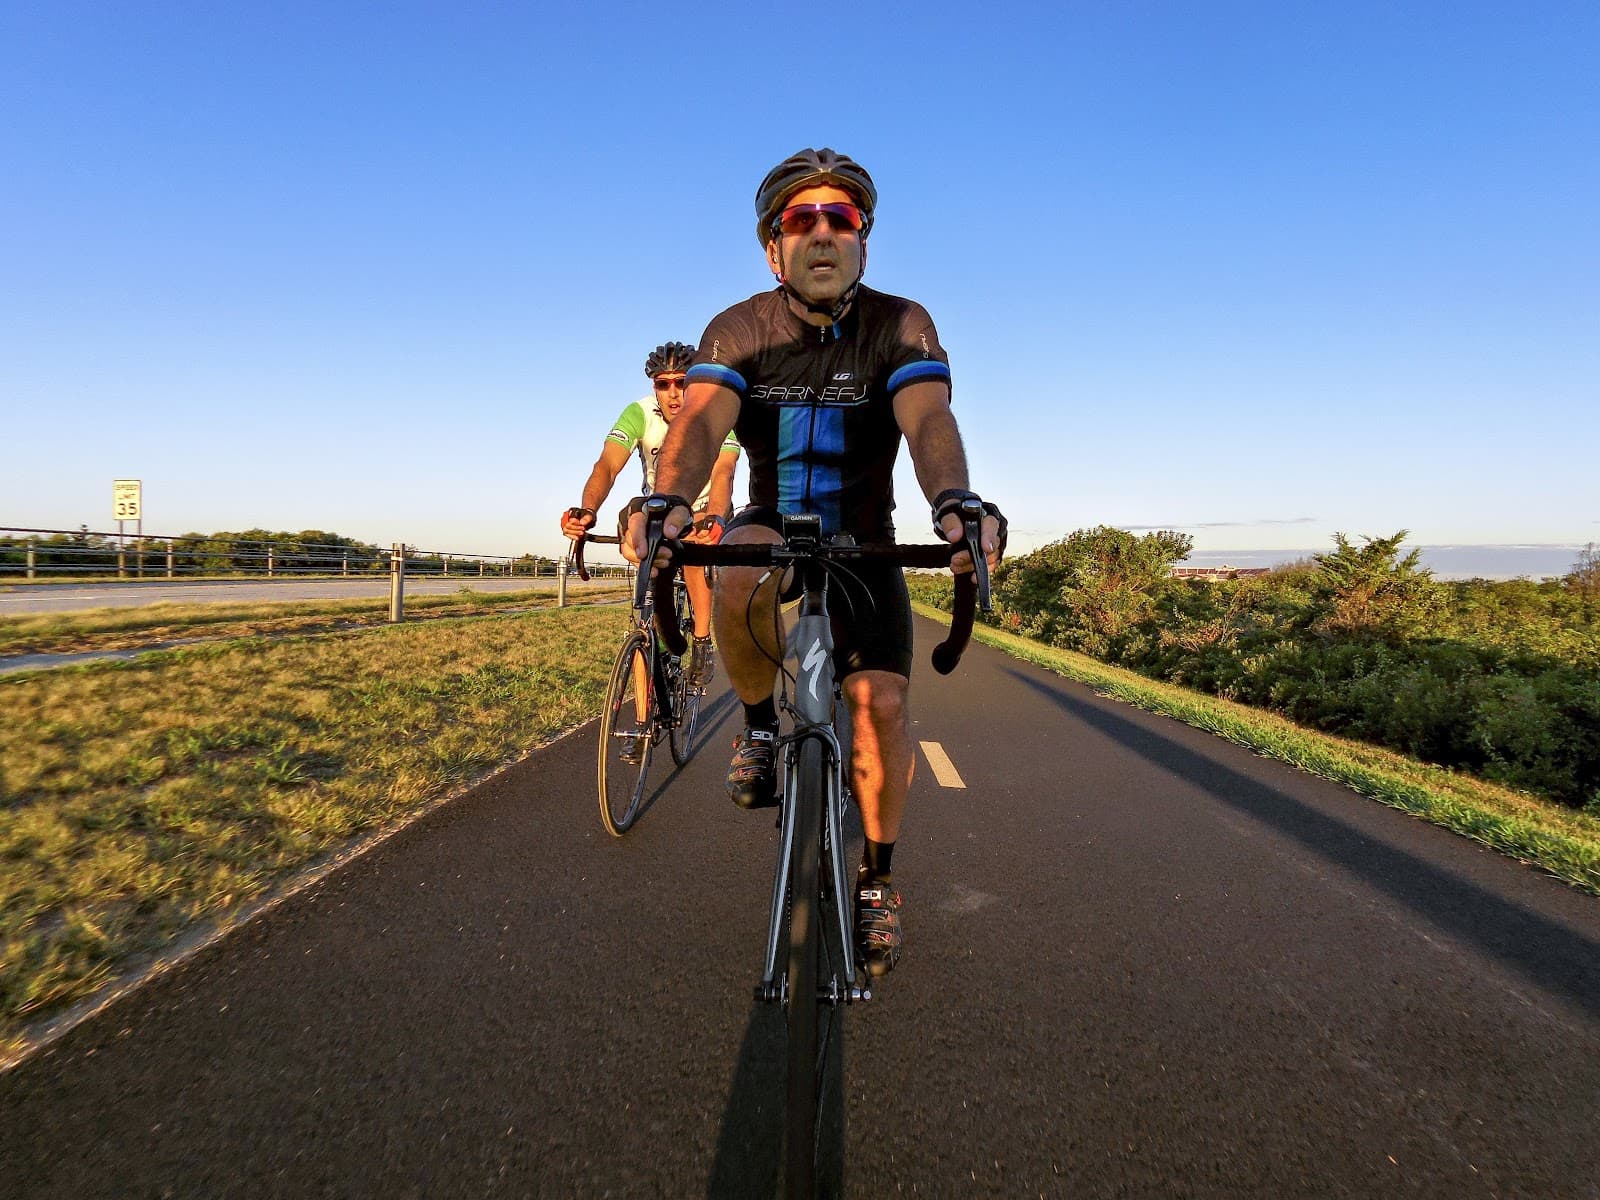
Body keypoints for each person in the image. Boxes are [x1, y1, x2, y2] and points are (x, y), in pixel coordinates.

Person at [627, 149, 1004, 977]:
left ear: (864, 241)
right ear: (774, 248)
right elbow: (699, 423)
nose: (823, 232)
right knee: (736, 564)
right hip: (776, 520)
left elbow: (928, 417)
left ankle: (876, 879)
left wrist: (955, 504)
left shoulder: (901, 322)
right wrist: (670, 501)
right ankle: (761, 731)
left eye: (843, 219)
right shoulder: (740, 325)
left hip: (867, 535)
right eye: (802, 220)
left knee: (879, 708)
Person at [561, 341, 739, 689]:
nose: (673, 393)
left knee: (692, 553)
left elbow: (724, 472)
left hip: (703, 507)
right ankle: (641, 725)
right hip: (657, 506)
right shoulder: (639, 413)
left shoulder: (717, 412)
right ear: (654, 387)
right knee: (639, 548)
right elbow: (607, 465)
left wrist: (716, 517)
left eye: (682, 382)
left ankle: (702, 641)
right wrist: (587, 510)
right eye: (663, 384)